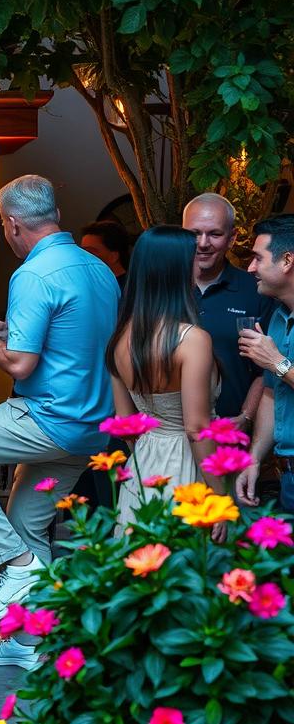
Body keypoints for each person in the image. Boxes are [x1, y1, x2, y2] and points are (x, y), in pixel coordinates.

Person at [0, 175, 119, 669]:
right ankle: (32, 645)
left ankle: (14, 565)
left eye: (3, 226)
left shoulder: (32, 275)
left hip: (46, 418)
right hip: (90, 427)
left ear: (12, 224)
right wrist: (0, 325)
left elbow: (19, 365)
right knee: (28, 524)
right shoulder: (95, 268)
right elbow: (63, 336)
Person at [107, 227, 223, 531]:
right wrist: (220, 497)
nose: (199, 264)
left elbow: (125, 422)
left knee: (143, 567)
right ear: (176, 268)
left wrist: (149, 455)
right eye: (194, 256)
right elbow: (196, 428)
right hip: (186, 466)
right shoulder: (192, 339)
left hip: (142, 469)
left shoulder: (120, 338)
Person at [182, 193, 273, 429]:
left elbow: (266, 369)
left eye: (215, 234)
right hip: (170, 436)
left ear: (232, 238)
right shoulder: (161, 290)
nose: (203, 243)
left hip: (229, 437)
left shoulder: (256, 291)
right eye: (194, 234)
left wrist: (246, 416)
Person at [236, 214, 294, 513]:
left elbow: (278, 370)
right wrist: (255, 458)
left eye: (258, 258)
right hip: (287, 475)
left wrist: (277, 362)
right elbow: (271, 393)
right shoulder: (277, 317)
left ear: (287, 260)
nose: (250, 268)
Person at [80, 219, 130, 291]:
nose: (83, 258)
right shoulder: (92, 287)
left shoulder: (130, 290)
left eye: (90, 252)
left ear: (114, 256)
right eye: (82, 252)